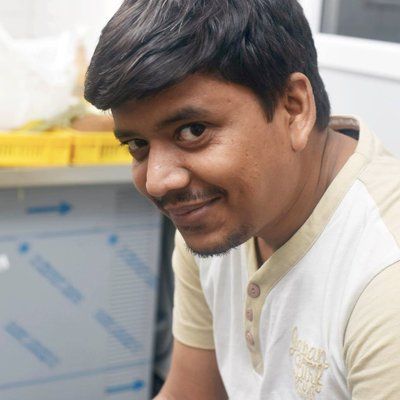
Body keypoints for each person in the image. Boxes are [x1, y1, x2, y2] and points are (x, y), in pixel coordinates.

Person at [84, 0, 400, 398]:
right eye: (137, 145)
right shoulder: (218, 215)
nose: (158, 181)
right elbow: (189, 393)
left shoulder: (384, 278)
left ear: (294, 109)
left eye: (193, 130)